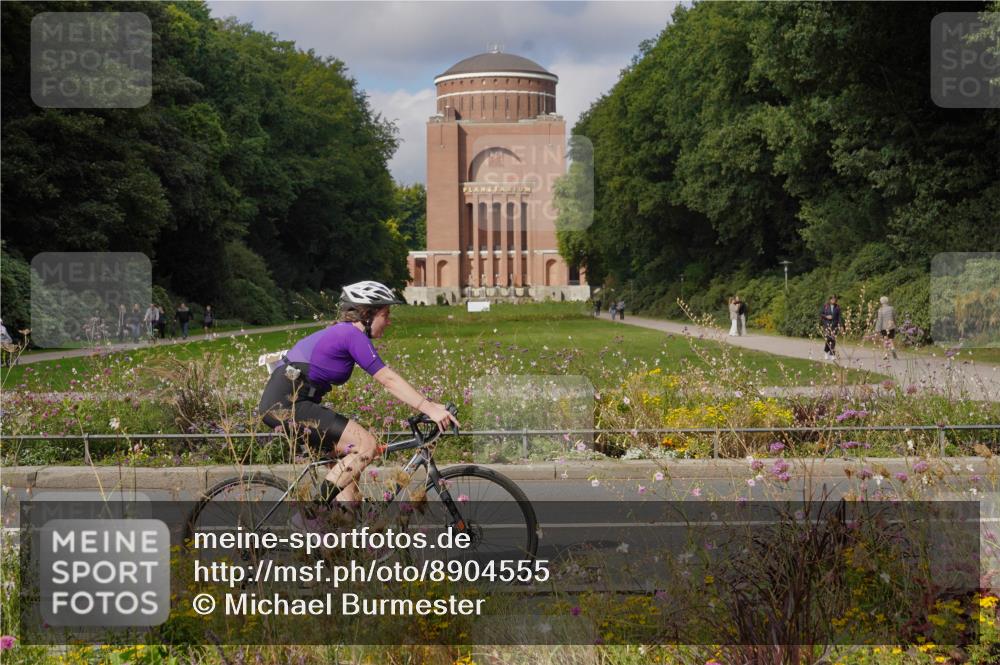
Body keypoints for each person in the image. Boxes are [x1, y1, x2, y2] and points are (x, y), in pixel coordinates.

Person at [258, 280, 460, 509]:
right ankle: (309, 518)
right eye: (386, 313)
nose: (389, 321)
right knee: (366, 445)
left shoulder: (345, 333)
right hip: (287, 404)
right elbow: (387, 379)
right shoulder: (351, 334)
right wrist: (430, 408)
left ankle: (341, 541)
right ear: (367, 314)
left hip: (295, 402)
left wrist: (430, 405)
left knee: (350, 496)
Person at [875, 295, 897, 360]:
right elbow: (894, 317)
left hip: (883, 327)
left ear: (881, 302)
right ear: (887, 301)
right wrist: (895, 324)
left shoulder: (880, 310)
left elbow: (879, 320)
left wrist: (877, 329)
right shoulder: (891, 308)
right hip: (891, 326)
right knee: (890, 340)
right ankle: (893, 349)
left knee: (885, 340)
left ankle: (886, 355)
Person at [821, 295, 842, 361]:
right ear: (830, 300)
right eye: (832, 299)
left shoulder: (837, 307)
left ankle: (832, 354)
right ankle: (826, 352)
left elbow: (839, 317)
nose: (834, 300)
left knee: (833, 340)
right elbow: (821, 314)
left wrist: (841, 326)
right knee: (828, 339)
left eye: (835, 299)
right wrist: (826, 316)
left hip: (834, 326)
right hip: (827, 325)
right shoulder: (825, 306)